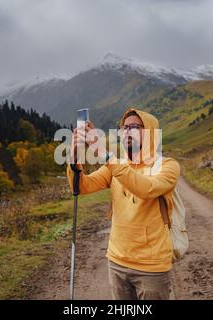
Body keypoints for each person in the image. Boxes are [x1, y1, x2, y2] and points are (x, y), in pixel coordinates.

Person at [67, 107, 180, 300]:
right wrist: (74, 156)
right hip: (117, 260)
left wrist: (103, 153)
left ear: (150, 132)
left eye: (134, 127)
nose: (127, 131)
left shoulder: (168, 166)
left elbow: (146, 189)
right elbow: (82, 187)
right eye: (124, 127)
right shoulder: (116, 165)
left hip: (151, 265)